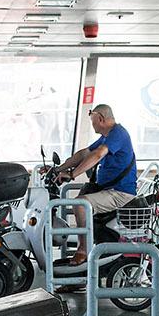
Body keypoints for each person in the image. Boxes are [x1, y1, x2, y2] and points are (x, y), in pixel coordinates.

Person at [55, 103, 137, 264]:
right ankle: (89, 245)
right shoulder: (107, 136)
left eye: (93, 121)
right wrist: (59, 168)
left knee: (80, 204)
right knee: (81, 198)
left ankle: (83, 251)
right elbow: (84, 153)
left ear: (100, 118)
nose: (92, 125)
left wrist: (72, 175)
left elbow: (98, 154)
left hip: (120, 193)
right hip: (109, 189)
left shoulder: (118, 134)